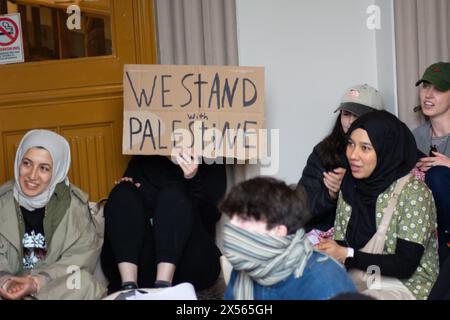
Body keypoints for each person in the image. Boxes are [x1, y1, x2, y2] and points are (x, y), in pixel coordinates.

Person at [318, 111, 439, 300]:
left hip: (406, 286)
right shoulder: (350, 185)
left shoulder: (413, 193)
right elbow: (341, 242)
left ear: (386, 149)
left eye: (365, 148)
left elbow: (405, 265)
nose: (353, 155)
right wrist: (327, 252)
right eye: (351, 144)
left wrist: (347, 254)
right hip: (360, 279)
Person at [0, 129, 106, 300]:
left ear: (57, 171)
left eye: (44, 168)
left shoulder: (74, 207)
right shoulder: (2, 202)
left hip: (50, 289)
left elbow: (80, 259)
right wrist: (7, 283)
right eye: (27, 163)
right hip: (5, 291)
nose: (32, 175)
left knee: (84, 283)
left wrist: (36, 283)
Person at [100, 152, 226, 293]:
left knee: (174, 193)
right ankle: (128, 287)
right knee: (122, 191)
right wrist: (128, 188)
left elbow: (210, 217)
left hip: (188, 263)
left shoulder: (210, 160)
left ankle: (163, 288)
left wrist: (193, 179)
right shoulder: (143, 159)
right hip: (141, 266)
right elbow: (123, 216)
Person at [220, 177, 357, 300]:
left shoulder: (325, 281)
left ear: (279, 231)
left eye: (244, 219)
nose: (232, 226)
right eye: (232, 218)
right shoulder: (245, 266)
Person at [298, 84, 384, 232]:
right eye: (346, 114)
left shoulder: (389, 151)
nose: (350, 121)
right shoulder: (323, 152)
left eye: (357, 115)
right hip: (326, 233)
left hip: (371, 234)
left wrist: (348, 184)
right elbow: (302, 209)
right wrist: (330, 195)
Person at [413, 62, 450, 266]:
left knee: (437, 175)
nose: (428, 94)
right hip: (425, 226)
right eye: (426, 86)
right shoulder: (414, 138)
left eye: (439, 89)